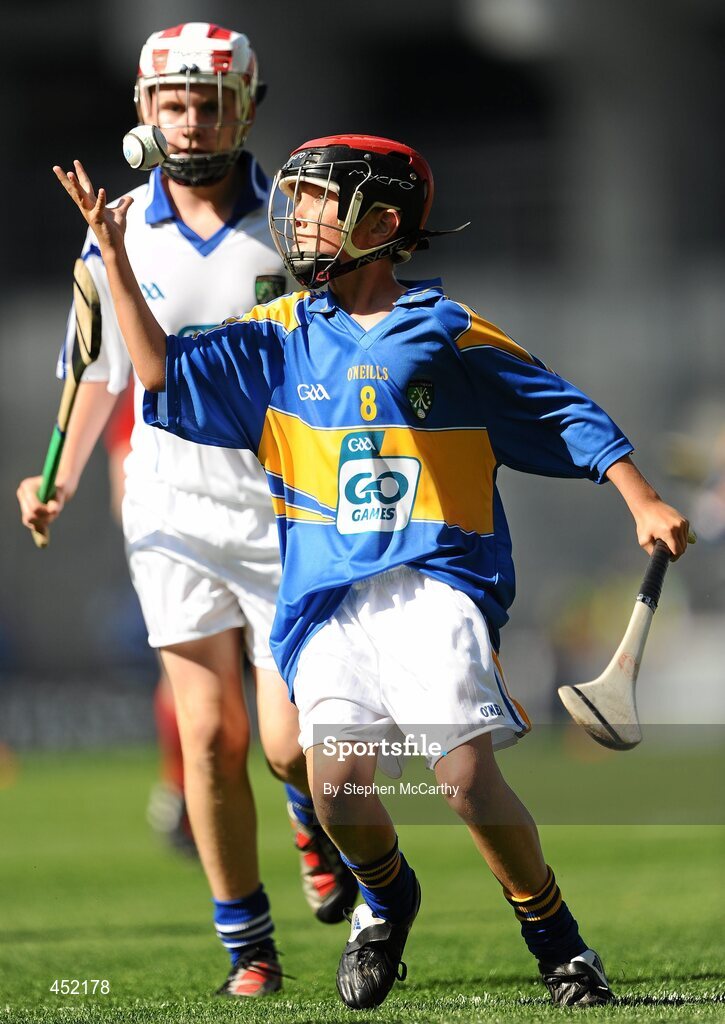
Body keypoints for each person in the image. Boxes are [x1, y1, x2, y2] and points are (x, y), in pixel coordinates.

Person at [52, 132, 690, 1009]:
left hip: (435, 585)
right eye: (299, 197)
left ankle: (558, 941)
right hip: (324, 601)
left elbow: (563, 408)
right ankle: (388, 900)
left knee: (464, 779)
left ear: (381, 221)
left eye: (319, 200)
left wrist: (640, 496)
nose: (297, 216)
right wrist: (115, 259)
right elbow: (158, 373)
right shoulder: (275, 336)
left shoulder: (445, 331)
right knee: (336, 790)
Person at [16, 25, 357, 999]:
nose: (192, 118)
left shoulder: (298, 221)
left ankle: (308, 819)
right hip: (171, 504)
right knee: (208, 737)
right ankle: (249, 946)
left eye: (210, 101)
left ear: (246, 107)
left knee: (290, 743)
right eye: (174, 101)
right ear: (143, 108)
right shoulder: (113, 224)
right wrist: (60, 477)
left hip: (291, 506)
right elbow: (96, 374)